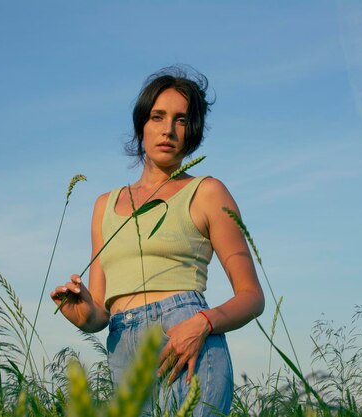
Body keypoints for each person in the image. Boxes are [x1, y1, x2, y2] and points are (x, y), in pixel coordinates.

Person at [51, 66, 264, 416]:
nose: (168, 129)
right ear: (142, 125)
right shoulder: (105, 205)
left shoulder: (208, 192)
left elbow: (252, 297)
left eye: (181, 119)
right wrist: (81, 312)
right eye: (158, 116)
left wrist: (202, 324)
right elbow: (100, 313)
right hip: (124, 353)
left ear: (192, 130)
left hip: (189, 344)